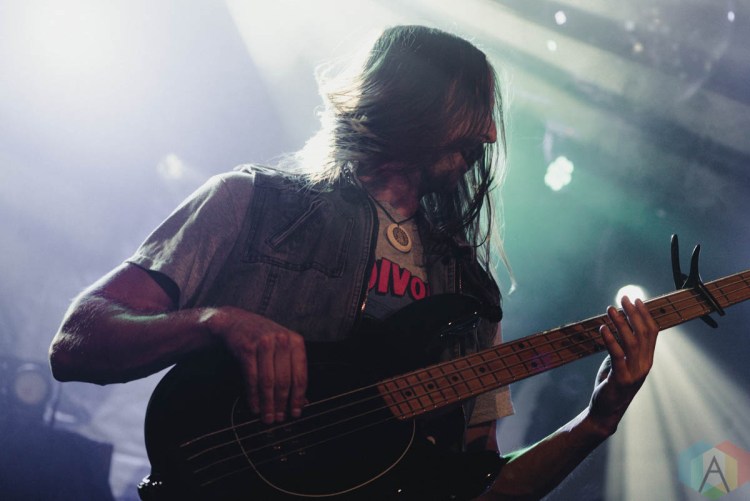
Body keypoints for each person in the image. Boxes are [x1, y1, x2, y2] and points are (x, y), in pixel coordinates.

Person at [49, 25, 659, 500]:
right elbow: (77, 343)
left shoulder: (471, 292)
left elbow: (479, 488)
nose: (490, 136)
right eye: (470, 104)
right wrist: (217, 323)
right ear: (410, 98)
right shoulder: (251, 202)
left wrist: (595, 422)